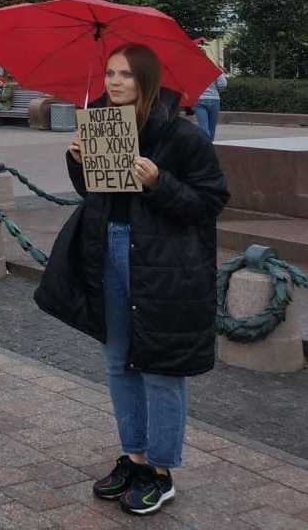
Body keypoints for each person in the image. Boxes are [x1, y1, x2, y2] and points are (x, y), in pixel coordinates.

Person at [36, 44, 228, 517]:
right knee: (118, 362)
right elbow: (93, 194)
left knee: (160, 368)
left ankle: (161, 472)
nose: (114, 81)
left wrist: (159, 181)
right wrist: (77, 160)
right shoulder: (101, 124)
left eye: (124, 74)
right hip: (109, 251)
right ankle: (135, 457)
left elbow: (210, 201)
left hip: (162, 264)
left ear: (145, 80)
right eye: (109, 72)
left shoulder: (180, 136)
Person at [193, 72, 226, 141]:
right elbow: (223, 84)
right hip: (214, 99)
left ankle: (205, 146)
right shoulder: (214, 68)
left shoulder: (195, 68)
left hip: (200, 98)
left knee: (203, 127)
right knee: (212, 128)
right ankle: (210, 147)